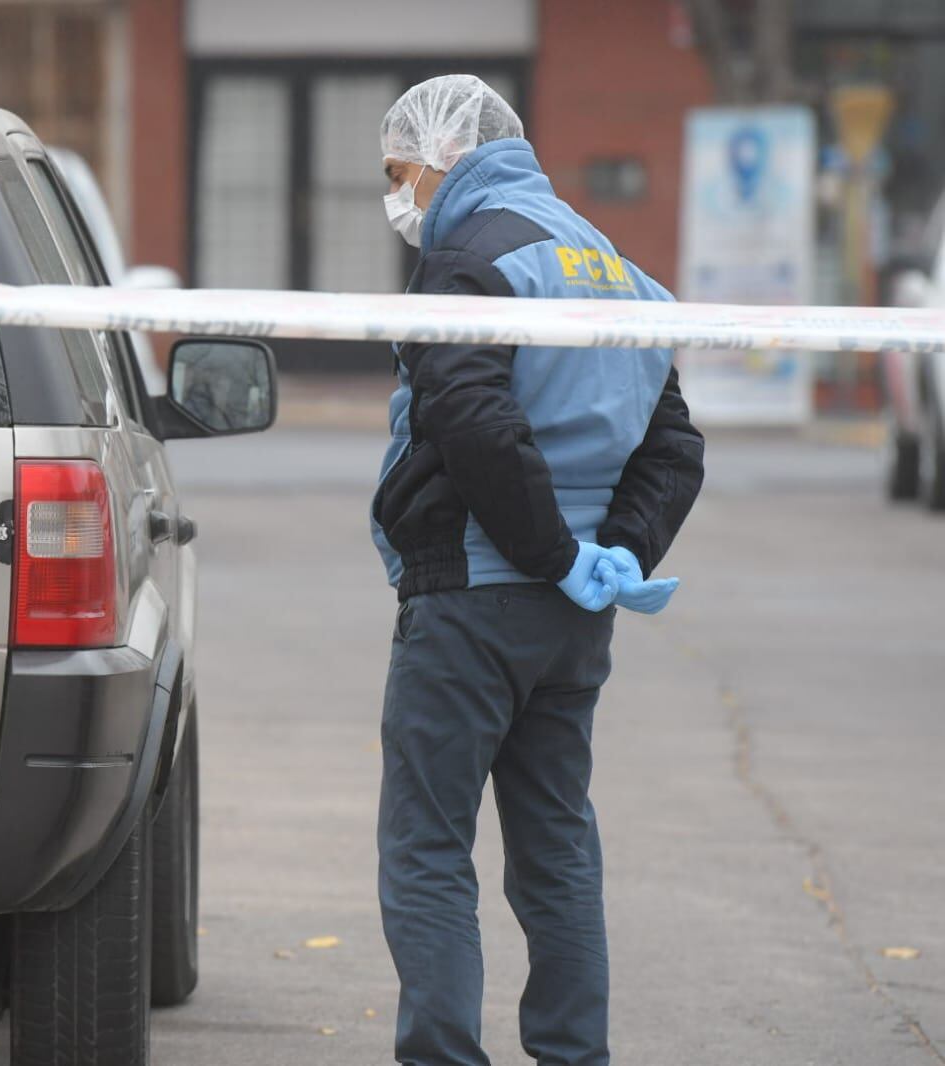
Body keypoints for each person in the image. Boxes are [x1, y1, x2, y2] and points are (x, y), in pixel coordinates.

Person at [368, 74, 705, 1066]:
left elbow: (470, 415)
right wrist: (615, 557)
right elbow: (674, 445)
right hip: (574, 618)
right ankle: (571, 1054)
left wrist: (552, 552)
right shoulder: (618, 269)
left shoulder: (469, 260)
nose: (398, 201)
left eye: (400, 175)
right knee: (556, 847)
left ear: (442, 157)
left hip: (471, 597)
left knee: (428, 846)